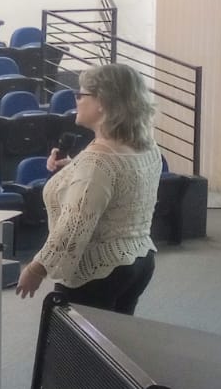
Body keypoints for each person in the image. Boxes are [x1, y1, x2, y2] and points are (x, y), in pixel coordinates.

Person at [14, 64, 162, 313]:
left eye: (81, 95)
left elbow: (72, 228)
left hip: (97, 273)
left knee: (77, 351)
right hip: (137, 260)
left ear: (102, 101)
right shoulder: (146, 148)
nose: (77, 100)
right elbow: (120, 186)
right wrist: (73, 168)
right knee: (114, 346)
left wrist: (36, 268)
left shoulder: (97, 161)